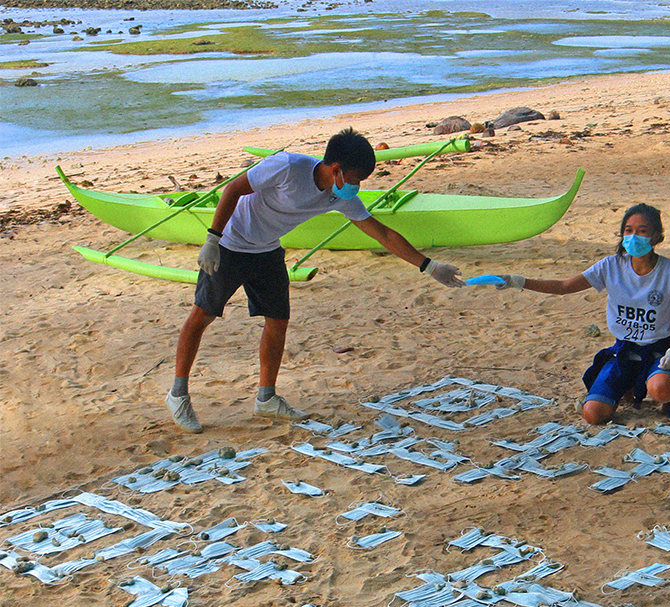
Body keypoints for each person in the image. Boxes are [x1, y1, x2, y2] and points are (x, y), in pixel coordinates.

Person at [165, 127, 463, 433]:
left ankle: (266, 398)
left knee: (277, 321)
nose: (357, 187)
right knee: (204, 314)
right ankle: (177, 395)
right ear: (335, 169)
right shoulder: (287, 167)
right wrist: (212, 239)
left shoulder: (339, 196)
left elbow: (382, 233)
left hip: (267, 250)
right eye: (355, 180)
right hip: (230, 244)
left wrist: (428, 266)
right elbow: (233, 190)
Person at [496, 203, 670, 424]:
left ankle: (663, 385)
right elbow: (564, 287)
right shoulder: (611, 266)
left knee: (661, 389)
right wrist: (518, 281)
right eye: (628, 230)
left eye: (642, 230)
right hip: (625, 350)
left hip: (660, 351)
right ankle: (625, 386)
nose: (634, 236)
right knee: (593, 415)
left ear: (656, 236)